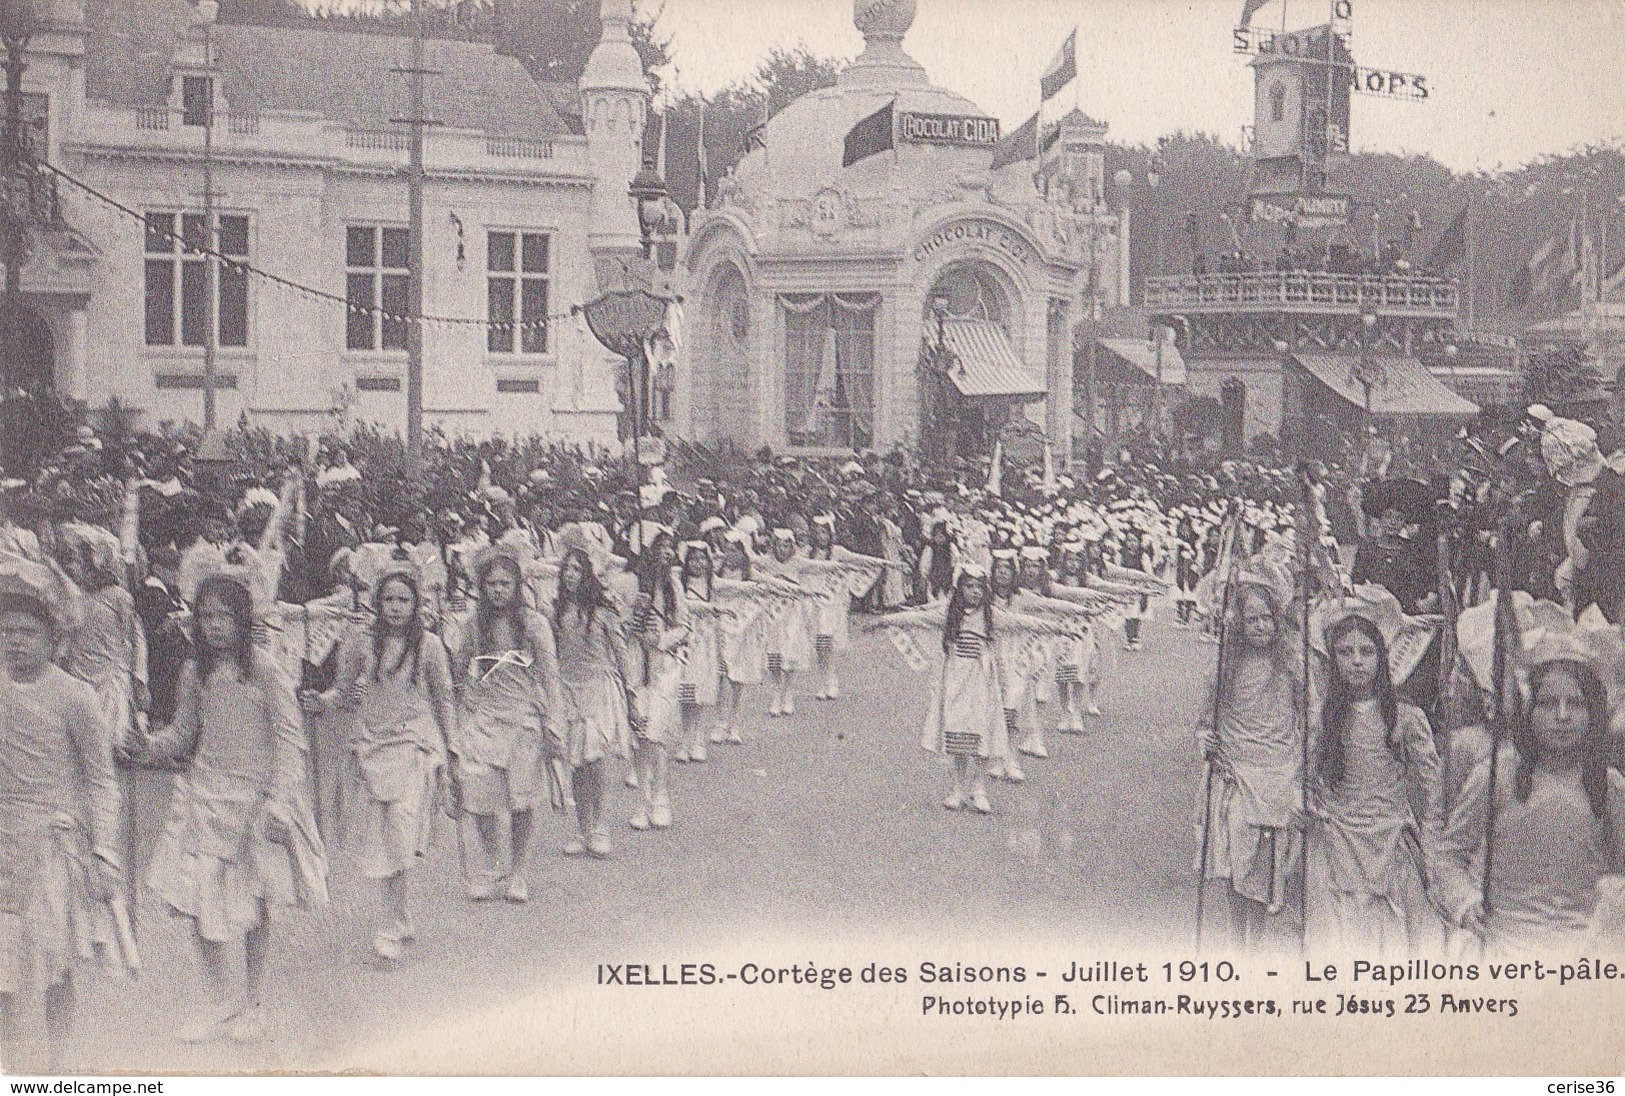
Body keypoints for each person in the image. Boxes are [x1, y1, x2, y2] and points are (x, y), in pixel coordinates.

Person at [142, 571, 328, 1044]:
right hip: (206, 796)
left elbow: (291, 739)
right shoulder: (194, 672)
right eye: (206, 617)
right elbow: (184, 734)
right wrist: (146, 744)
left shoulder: (263, 669)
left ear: (242, 620)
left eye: (225, 616)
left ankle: (254, 1000)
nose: (215, 626)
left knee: (254, 905)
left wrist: (280, 802)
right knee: (197, 899)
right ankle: (216, 999)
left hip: (256, 802)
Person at [0, 564, 124, 1072]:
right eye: (5, 633)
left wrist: (105, 849)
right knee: (2, 963)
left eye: (27, 633)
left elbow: (100, 780)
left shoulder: (76, 695)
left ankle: (58, 1063)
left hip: (56, 842)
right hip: (3, 837)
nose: (15, 643)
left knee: (55, 962)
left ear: (52, 638)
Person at [1435, 640, 1624, 957]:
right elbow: (1449, 857)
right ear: (1528, 712)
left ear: (1593, 713)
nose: (1562, 716)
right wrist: (1465, 903)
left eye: (1575, 704)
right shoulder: (1495, 776)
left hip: (1582, 947)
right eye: (1548, 703)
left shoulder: (1608, 786)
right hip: (1504, 943)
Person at [302, 566, 453, 961]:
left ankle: (390, 923)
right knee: (383, 836)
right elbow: (341, 688)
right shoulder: (360, 642)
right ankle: (397, 917)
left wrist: (452, 749)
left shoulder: (431, 646)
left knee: (401, 831)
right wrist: (323, 700)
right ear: (376, 603)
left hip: (413, 744)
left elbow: (443, 698)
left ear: (416, 604)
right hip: (370, 744)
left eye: (404, 600)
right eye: (389, 599)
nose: (396, 608)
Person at [1304, 609, 1446, 959]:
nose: (1356, 662)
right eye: (1345, 652)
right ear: (1333, 659)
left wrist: (1434, 842)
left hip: (1390, 838)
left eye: (1366, 652)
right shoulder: (1323, 716)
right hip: (1339, 837)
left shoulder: (1405, 716)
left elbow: (1432, 787)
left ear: (1381, 658)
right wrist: (1309, 804)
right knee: (1342, 933)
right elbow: (1308, 775)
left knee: (1394, 931)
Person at [1196, 562, 1303, 951]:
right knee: (1234, 860)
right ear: (1238, 624)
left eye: (1267, 619)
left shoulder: (1291, 665)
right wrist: (1206, 740)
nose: (1261, 627)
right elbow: (1206, 718)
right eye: (1251, 619)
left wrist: (1304, 763)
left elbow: (1306, 717)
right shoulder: (1225, 666)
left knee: (1261, 867)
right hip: (1235, 770)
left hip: (1277, 770)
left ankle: (1253, 944)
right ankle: (1235, 938)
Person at [450, 548, 563, 902]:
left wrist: (555, 723)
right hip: (484, 719)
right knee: (479, 797)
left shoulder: (534, 624)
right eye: (491, 584)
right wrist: (461, 703)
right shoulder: (471, 626)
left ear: (517, 585)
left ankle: (517, 871)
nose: (498, 590)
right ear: (481, 587)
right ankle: (491, 862)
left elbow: (550, 676)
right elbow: (456, 673)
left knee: (521, 800)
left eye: (505, 583)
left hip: (525, 719)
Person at [551, 544, 632, 852]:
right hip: (566, 687)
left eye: (577, 569)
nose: (570, 575)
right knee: (576, 764)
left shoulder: (602, 611)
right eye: (566, 569)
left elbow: (621, 653)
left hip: (597, 687)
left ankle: (600, 827)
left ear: (587, 575)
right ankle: (582, 829)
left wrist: (631, 693)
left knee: (594, 760)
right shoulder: (556, 611)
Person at [58, 522, 147, 756]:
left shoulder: (119, 597)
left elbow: (132, 639)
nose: (72, 567)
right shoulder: (72, 595)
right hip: (78, 673)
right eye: (70, 561)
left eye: (77, 561)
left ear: (94, 565)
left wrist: (137, 678)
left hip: (108, 677)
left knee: (104, 741)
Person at [626, 531, 687, 831]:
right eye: (660, 548)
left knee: (657, 734)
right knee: (641, 737)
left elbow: (684, 626)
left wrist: (661, 639)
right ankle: (641, 800)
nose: (666, 554)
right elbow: (621, 626)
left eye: (670, 549)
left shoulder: (674, 586)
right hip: (637, 665)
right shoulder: (633, 586)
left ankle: (660, 797)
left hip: (663, 667)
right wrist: (635, 628)